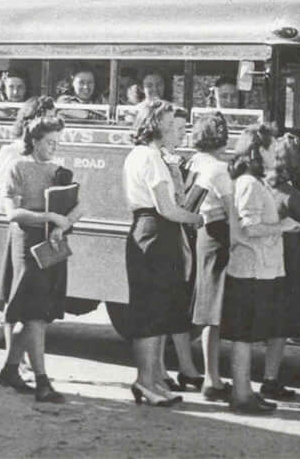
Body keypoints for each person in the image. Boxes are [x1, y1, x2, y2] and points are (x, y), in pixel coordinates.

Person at [117, 99, 202, 406]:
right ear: (154, 125)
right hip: (156, 233)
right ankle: (145, 381)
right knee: (151, 313)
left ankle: (153, 380)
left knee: (155, 311)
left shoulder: (140, 154)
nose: (172, 130)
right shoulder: (151, 157)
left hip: (148, 230)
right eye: (167, 124)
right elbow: (167, 208)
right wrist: (196, 218)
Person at [0, 113, 76, 404]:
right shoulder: (18, 167)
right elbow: (11, 213)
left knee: (37, 313)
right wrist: (50, 217)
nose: (54, 147)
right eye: (49, 142)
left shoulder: (59, 171)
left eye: (57, 142)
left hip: (51, 245)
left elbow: (79, 206)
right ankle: (42, 381)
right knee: (35, 315)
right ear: (35, 141)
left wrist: (64, 224)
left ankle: (9, 370)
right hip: (26, 244)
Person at [222, 127, 300, 414]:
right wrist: (283, 226)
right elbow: (248, 227)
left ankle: (245, 392)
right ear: (257, 151)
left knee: (247, 334)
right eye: (270, 147)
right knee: (243, 335)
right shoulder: (250, 184)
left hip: (259, 268)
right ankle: (241, 395)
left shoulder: (255, 182)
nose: (275, 152)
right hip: (251, 269)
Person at [261, 131, 300, 400]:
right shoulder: (297, 198)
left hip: (261, 262)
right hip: (289, 266)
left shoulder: (262, 190)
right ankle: (270, 379)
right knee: (279, 326)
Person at [185, 111, 236, 401]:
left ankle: (209, 376)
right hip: (218, 234)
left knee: (207, 309)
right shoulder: (218, 168)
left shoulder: (195, 161)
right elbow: (232, 212)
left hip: (203, 234)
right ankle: (211, 378)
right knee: (213, 312)